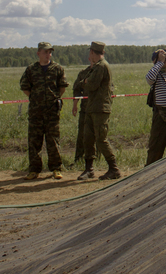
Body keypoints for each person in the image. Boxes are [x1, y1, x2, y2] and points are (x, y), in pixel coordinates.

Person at [19, 41, 68, 180]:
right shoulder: (31, 69)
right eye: (45, 52)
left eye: (50, 52)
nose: (48, 54)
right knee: (34, 141)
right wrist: (36, 98)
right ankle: (34, 170)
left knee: (53, 141)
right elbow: (25, 87)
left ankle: (56, 168)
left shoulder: (57, 68)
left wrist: (53, 99)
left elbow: (62, 87)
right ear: (38, 53)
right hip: (36, 112)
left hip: (52, 111)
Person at [78, 41, 120, 181]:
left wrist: (85, 82)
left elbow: (91, 84)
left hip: (100, 108)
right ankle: (89, 169)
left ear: (92, 52)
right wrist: (86, 81)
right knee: (88, 138)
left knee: (101, 139)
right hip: (93, 107)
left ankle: (114, 168)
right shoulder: (98, 66)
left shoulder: (101, 66)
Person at [71, 63, 91, 165]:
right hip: (85, 109)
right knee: (82, 135)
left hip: (98, 110)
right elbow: (77, 89)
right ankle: (79, 159)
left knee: (99, 135)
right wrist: (75, 105)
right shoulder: (83, 73)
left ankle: (97, 159)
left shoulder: (102, 71)